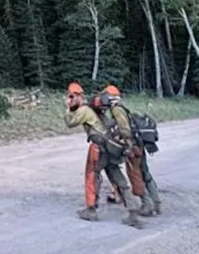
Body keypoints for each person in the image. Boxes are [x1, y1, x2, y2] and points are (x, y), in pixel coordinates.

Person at [64, 82, 143, 227]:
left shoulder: (85, 110)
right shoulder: (97, 110)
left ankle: (91, 209)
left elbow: (70, 122)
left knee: (92, 175)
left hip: (99, 148)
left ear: (77, 96)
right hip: (111, 147)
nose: (70, 98)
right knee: (118, 178)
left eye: (71, 96)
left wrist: (69, 107)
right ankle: (133, 212)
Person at [103, 85, 161, 216]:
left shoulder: (117, 110)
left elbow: (124, 129)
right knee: (145, 173)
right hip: (139, 143)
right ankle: (157, 203)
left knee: (135, 174)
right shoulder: (122, 108)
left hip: (133, 146)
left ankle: (146, 205)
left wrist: (126, 144)